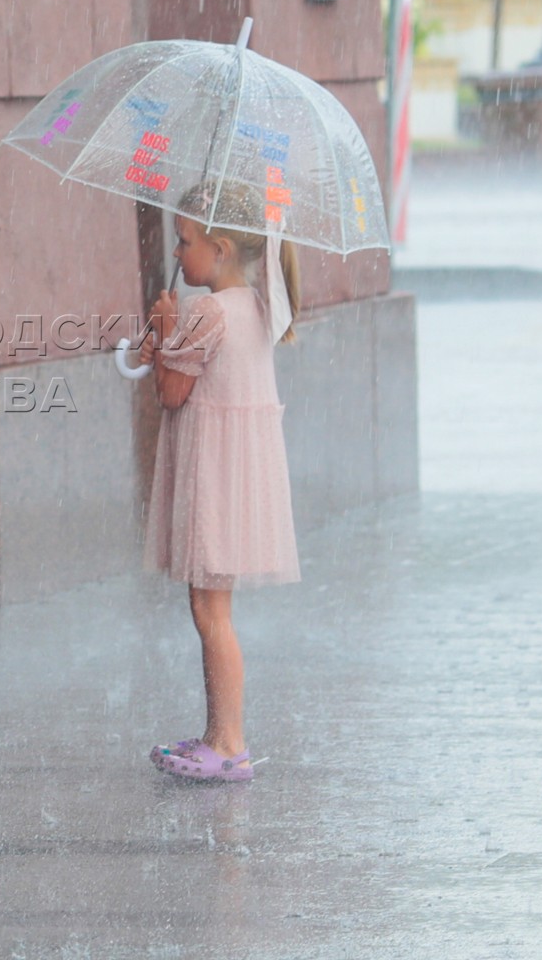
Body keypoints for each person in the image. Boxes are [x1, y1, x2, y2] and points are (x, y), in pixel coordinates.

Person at [139, 184, 302, 782]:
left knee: (209, 610)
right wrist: (167, 341)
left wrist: (164, 331)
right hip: (240, 476)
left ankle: (229, 743)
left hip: (212, 476)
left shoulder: (207, 313)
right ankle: (217, 735)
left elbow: (171, 393)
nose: (177, 253)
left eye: (185, 241)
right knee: (212, 607)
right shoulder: (257, 305)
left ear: (222, 249)